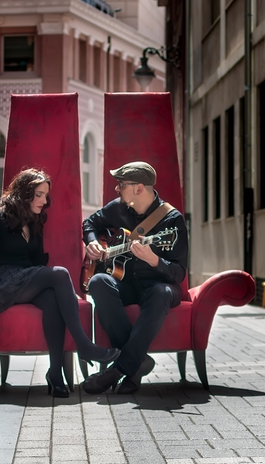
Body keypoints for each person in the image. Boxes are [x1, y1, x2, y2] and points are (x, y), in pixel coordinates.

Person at [0, 168, 120, 398]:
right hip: (2, 285)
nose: (44, 200)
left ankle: (55, 375)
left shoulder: (35, 222)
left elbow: (35, 265)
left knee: (52, 300)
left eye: (45, 195)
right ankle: (85, 345)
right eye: (38, 194)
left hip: (25, 280)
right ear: (23, 193)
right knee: (59, 274)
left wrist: (63, 292)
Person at [81, 161, 189, 394]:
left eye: (121, 185)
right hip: (125, 283)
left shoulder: (172, 221)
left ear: (139, 188)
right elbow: (89, 222)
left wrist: (155, 261)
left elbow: (179, 272)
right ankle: (137, 364)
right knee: (99, 281)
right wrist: (91, 241)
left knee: (161, 292)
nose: (117, 190)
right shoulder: (117, 208)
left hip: (158, 286)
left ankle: (119, 369)